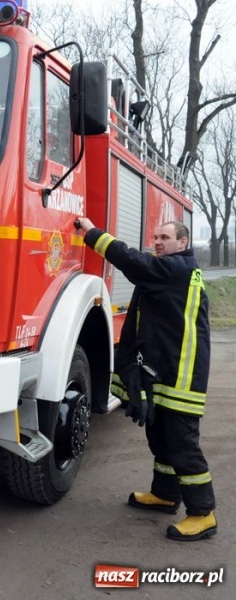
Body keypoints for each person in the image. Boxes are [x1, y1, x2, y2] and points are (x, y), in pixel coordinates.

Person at [77, 217, 217, 541]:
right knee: (161, 435)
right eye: (156, 237)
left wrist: (92, 233)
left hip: (182, 377)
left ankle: (203, 513)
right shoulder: (176, 270)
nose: (157, 242)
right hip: (169, 371)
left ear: (183, 243)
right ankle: (166, 494)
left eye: (165, 237)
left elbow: (132, 261)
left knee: (182, 444)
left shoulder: (175, 269)